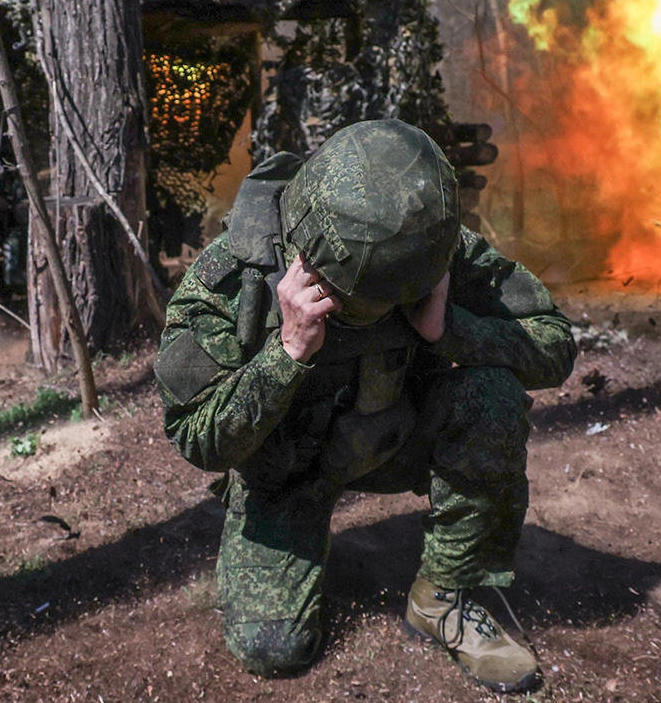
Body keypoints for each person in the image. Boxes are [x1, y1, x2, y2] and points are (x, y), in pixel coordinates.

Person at [155, 119, 576, 693]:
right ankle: (298, 535)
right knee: (273, 650)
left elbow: (553, 345)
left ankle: (441, 597)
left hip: (393, 440)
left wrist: (448, 327)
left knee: (492, 397)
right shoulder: (232, 279)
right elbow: (196, 437)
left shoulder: (427, 248)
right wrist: (286, 354)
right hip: (288, 469)